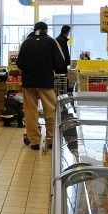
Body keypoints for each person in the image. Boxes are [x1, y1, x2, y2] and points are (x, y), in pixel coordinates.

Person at [16, 21, 66, 150]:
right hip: (46, 82)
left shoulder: (26, 42)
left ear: (34, 29)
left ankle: (34, 141)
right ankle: (50, 139)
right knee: (50, 110)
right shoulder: (51, 41)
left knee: (30, 112)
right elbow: (61, 63)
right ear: (46, 30)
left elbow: (19, 63)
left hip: (28, 83)